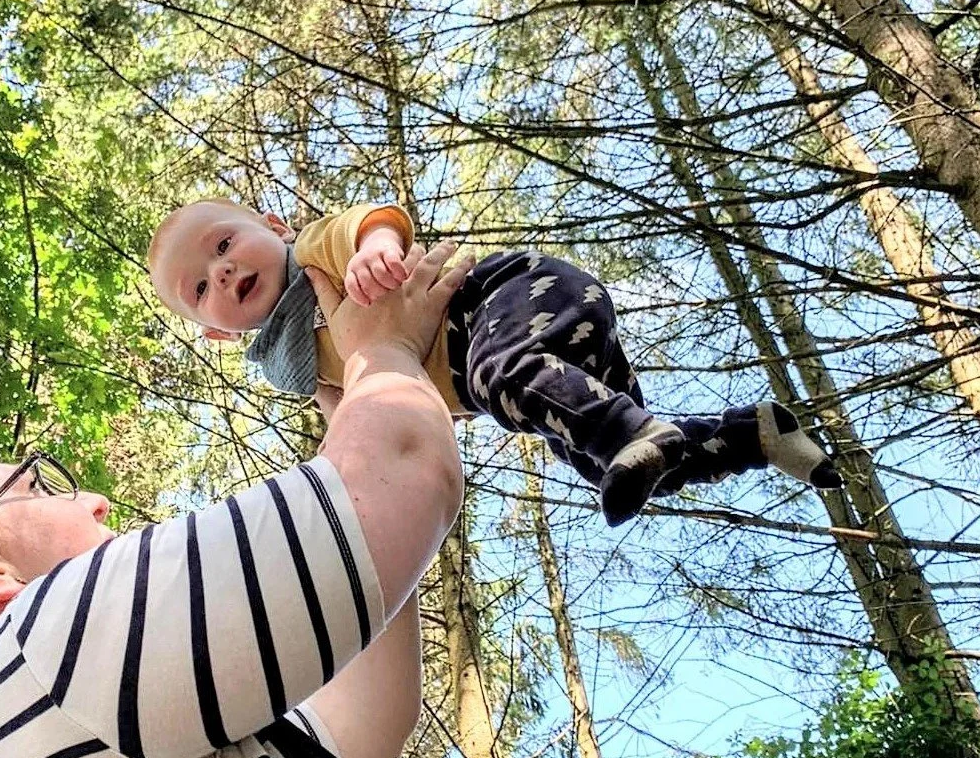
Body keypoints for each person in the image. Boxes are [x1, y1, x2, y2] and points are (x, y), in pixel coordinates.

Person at [0, 240, 473, 758]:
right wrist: (384, 349)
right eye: (38, 483)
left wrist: (364, 392)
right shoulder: (36, 650)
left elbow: (365, 723)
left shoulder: (59, 739)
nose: (95, 500)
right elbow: (402, 471)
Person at [148, 200, 841, 528]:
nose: (222, 270)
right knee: (610, 463)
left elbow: (370, 221)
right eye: (200, 287)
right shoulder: (296, 369)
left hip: (511, 297)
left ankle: (634, 431)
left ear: (272, 226)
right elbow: (352, 424)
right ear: (216, 333)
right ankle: (753, 436)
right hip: (541, 371)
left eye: (224, 244)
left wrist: (374, 249)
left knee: (503, 376)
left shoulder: (312, 255)